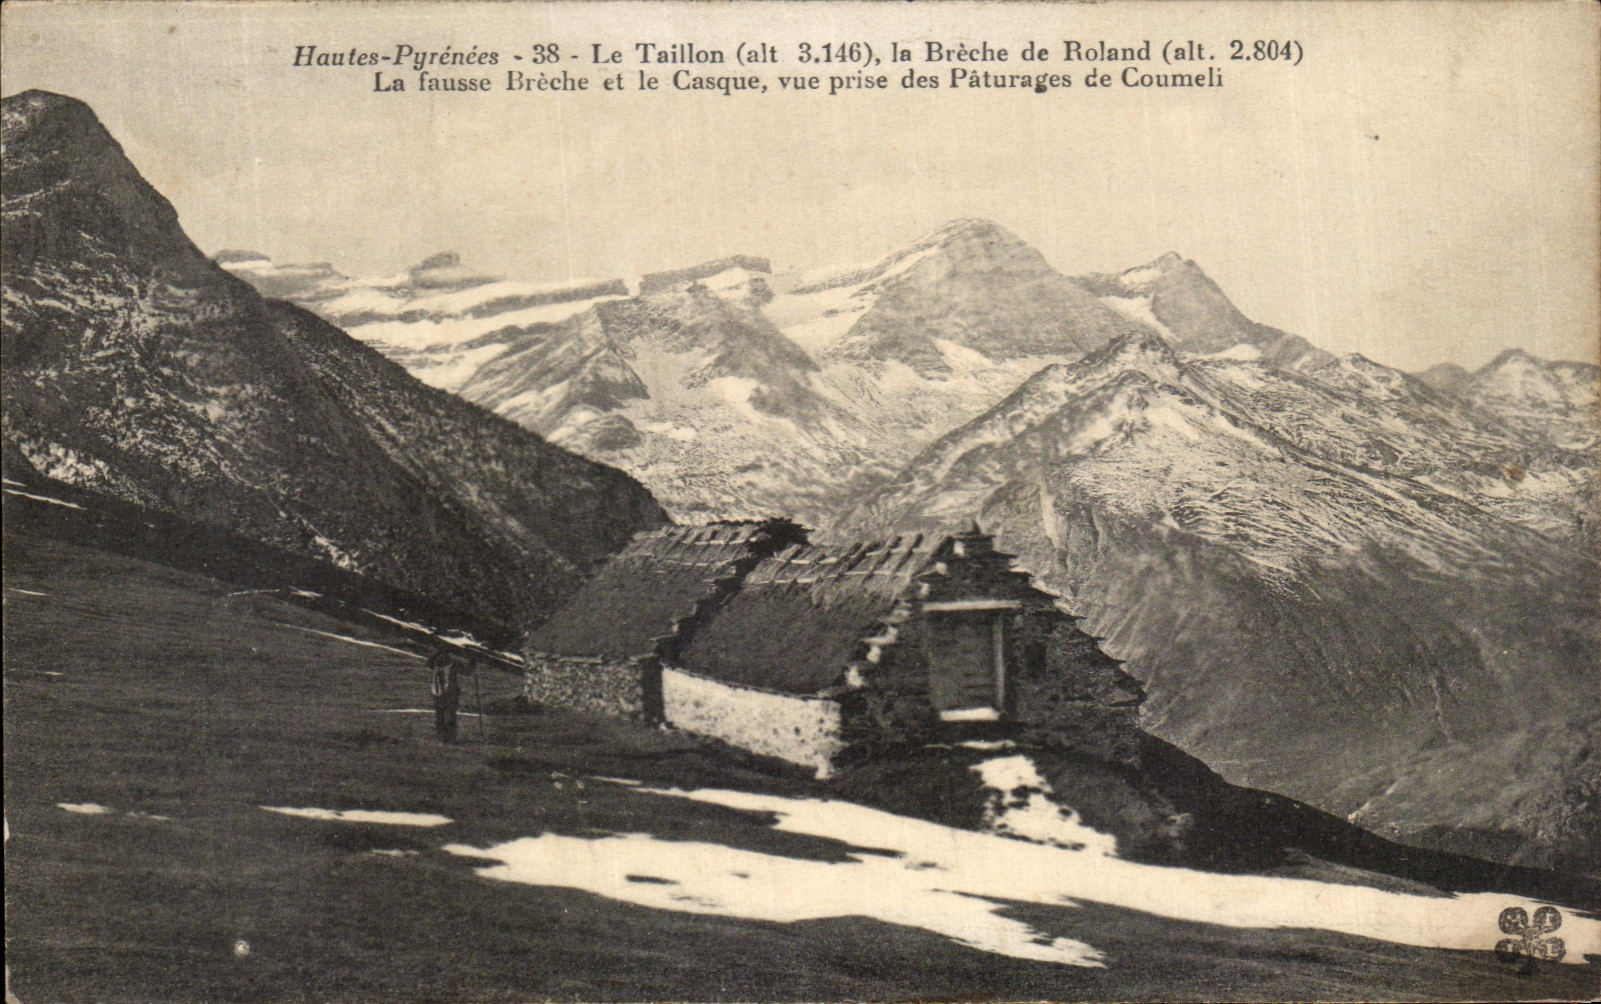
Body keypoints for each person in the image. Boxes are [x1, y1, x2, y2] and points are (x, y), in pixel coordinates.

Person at [428, 648, 466, 744]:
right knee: (451, 717)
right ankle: (451, 739)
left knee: (440, 716)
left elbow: (428, 663)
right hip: (450, 695)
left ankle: (442, 738)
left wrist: (437, 652)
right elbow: (468, 672)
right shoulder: (454, 664)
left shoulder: (436, 663)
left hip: (437, 694)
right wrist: (473, 662)